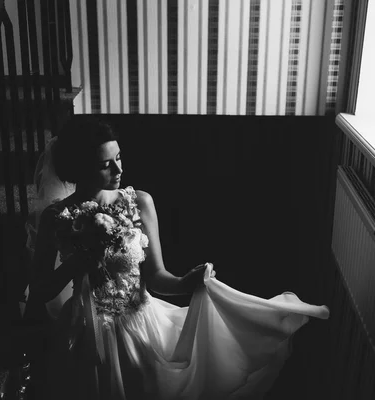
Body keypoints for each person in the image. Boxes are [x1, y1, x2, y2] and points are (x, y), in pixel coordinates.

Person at [23, 116, 329, 399]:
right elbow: (39, 291)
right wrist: (77, 264)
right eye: (105, 164)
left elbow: (157, 277)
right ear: (81, 167)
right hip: (82, 331)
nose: (118, 170)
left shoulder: (139, 202)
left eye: (118, 158)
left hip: (141, 325)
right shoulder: (57, 216)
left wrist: (187, 282)